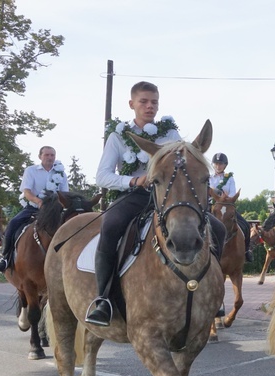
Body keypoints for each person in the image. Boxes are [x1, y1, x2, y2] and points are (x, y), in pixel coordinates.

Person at [85, 81, 226, 326]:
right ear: (132, 104)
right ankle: (103, 300)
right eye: (144, 102)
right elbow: (102, 176)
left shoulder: (170, 134)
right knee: (110, 227)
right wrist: (134, 180)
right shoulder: (117, 136)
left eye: (154, 102)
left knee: (219, 228)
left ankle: (212, 291)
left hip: (168, 196)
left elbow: (183, 166)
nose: (150, 106)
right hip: (132, 196)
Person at [0, 146, 68, 273]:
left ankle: (70, 259)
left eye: (52, 155)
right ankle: (5, 258)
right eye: (47, 155)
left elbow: (64, 193)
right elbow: (27, 192)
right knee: (13, 224)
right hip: (34, 207)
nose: (50, 157)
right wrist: (38, 202)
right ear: (40, 156)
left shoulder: (61, 173)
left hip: (54, 211)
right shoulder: (31, 171)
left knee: (71, 226)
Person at [209, 152, 253, 262]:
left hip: (227, 206)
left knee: (245, 225)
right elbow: (206, 192)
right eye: (216, 164)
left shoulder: (229, 178)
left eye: (221, 164)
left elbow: (233, 194)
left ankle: (246, 251)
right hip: (212, 207)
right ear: (213, 165)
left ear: (225, 165)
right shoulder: (209, 178)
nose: (218, 166)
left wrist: (224, 198)